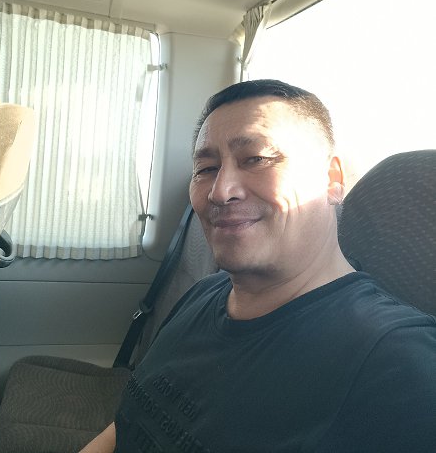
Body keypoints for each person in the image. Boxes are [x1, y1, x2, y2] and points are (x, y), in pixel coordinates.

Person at [81, 79, 436, 453]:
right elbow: (130, 421)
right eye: (206, 168)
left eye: (257, 159)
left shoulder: (398, 364)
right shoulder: (202, 294)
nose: (220, 191)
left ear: (332, 179)